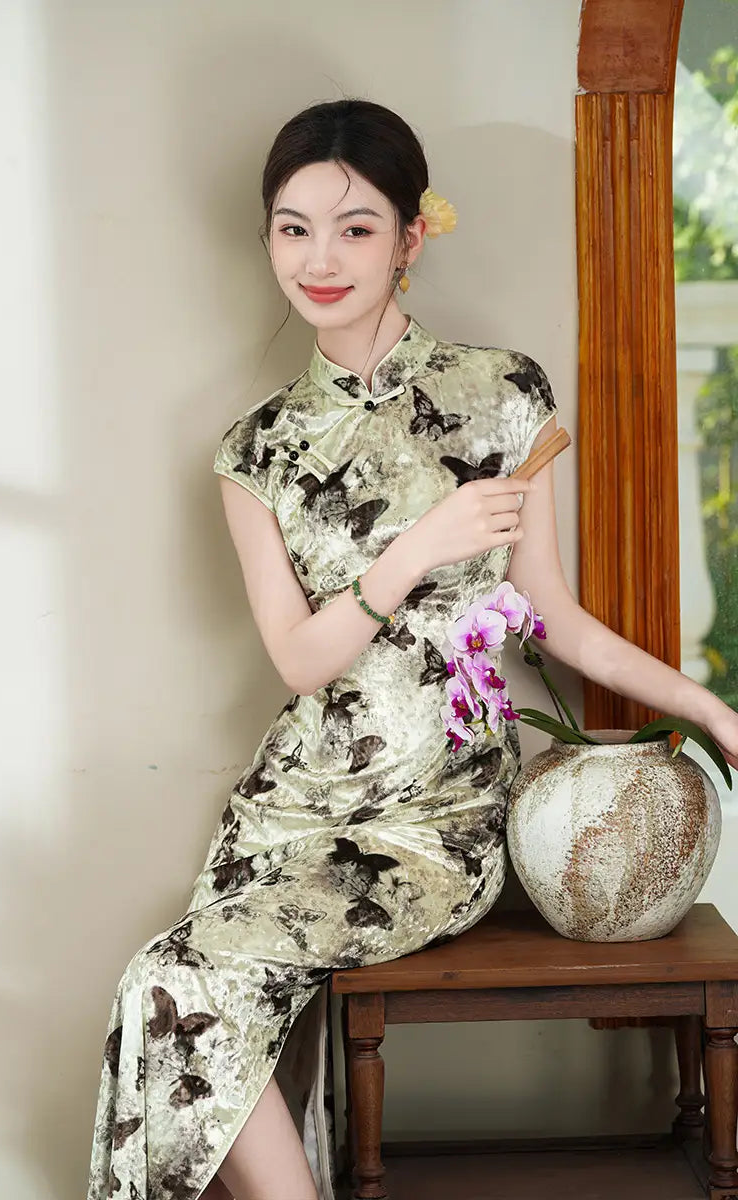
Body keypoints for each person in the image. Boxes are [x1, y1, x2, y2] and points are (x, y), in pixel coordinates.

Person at [87, 98, 738, 1200]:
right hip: (289, 807)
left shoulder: (503, 396)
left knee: (173, 979)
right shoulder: (253, 451)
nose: (319, 257)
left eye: (352, 225)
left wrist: (714, 712)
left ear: (410, 235)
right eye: (291, 228)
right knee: (178, 988)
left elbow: (558, 623)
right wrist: (411, 554)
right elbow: (298, 662)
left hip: (431, 823)